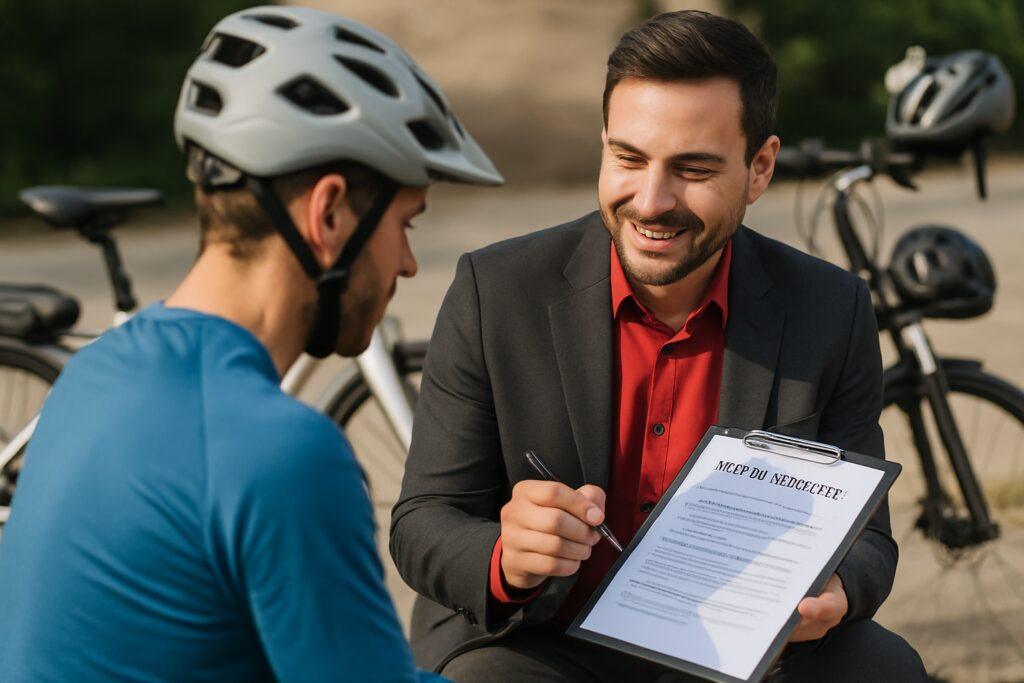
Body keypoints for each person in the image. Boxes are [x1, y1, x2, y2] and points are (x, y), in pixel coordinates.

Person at [391, 10, 926, 682]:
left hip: (737, 650)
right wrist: (507, 558)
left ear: (759, 168)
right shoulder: (494, 290)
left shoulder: (830, 309)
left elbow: (868, 537)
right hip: (536, 639)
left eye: (692, 169)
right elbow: (423, 520)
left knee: (883, 667)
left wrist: (837, 592)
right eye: (629, 158)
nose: (650, 201)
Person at [0, 6, 501, 682]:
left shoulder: (92, 373)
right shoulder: (281, 452)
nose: (408, 265)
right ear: (329, 213)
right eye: (405, 225)